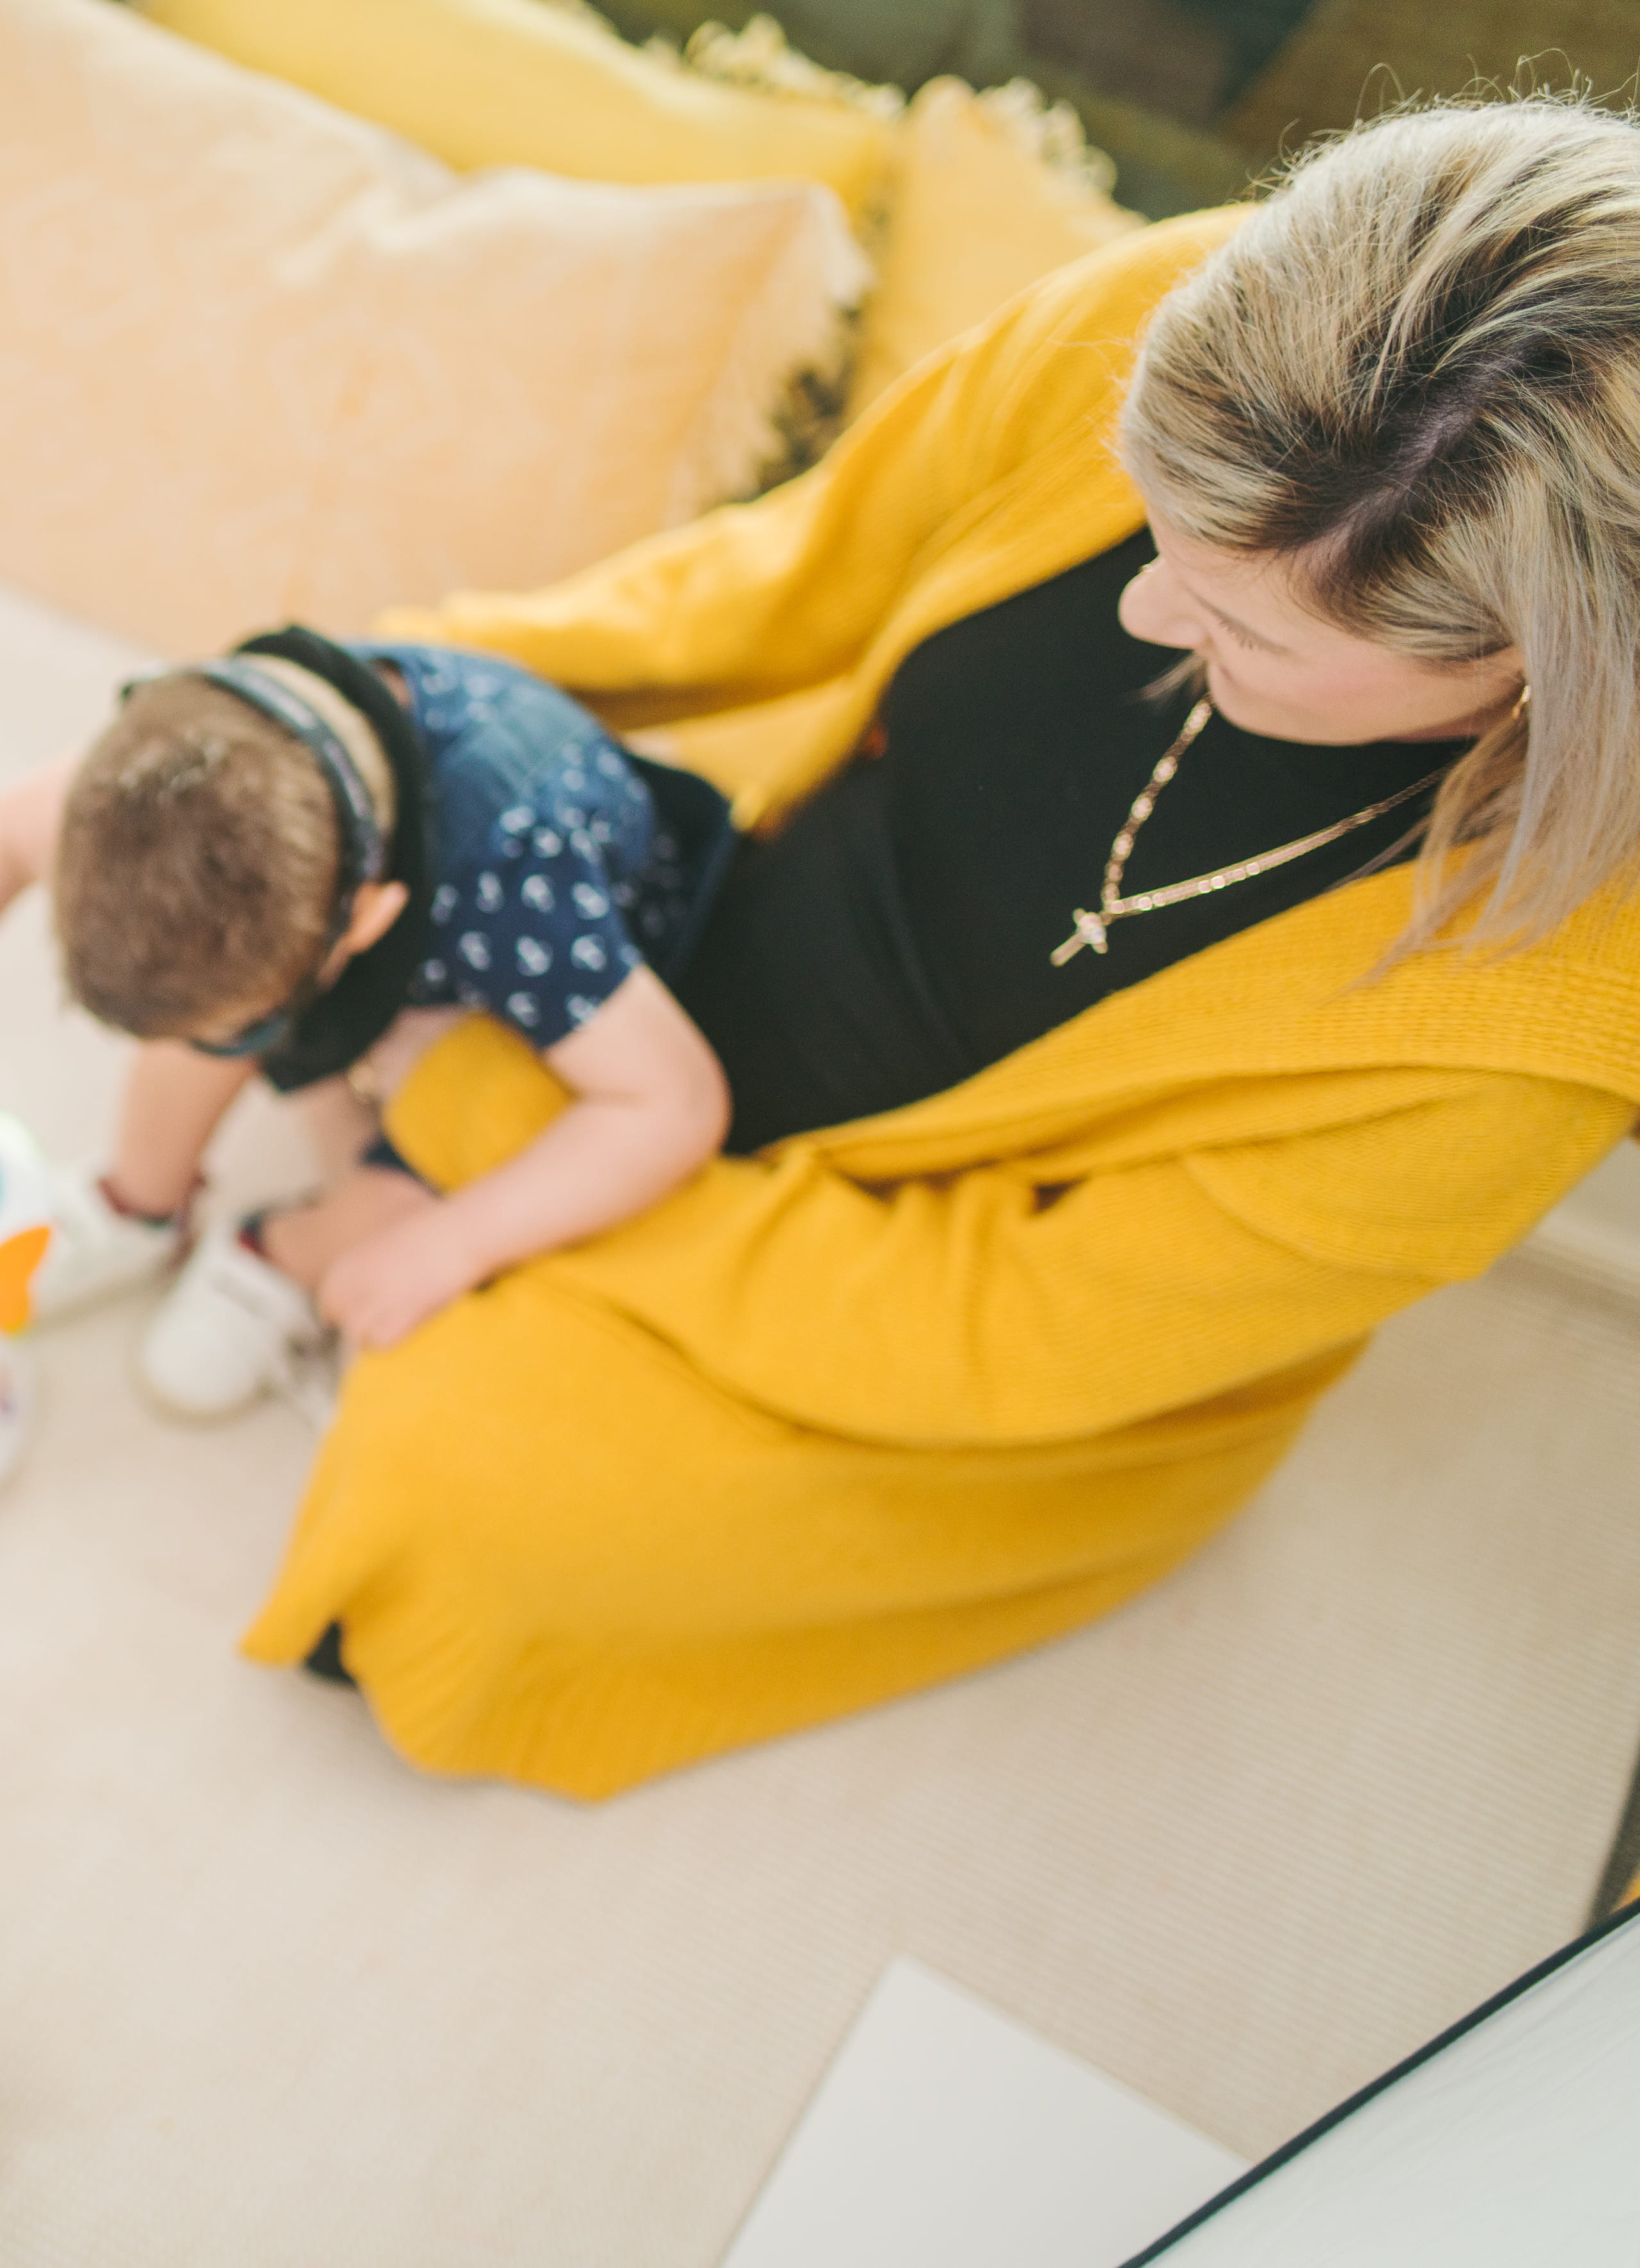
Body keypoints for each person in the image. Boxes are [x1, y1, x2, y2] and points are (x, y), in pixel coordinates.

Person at [230, 99, 1640, 1795]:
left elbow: (994, 1329)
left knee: (460, 1510)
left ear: (1549, 673)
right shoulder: (1199, 318)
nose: (1139, 608)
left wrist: (492, 1139)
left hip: (925, 1290)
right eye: (1147, 521)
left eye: (1239, 625)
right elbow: (789, 573)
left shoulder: (1543, 1029)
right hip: (726, 911)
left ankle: (420, 1204)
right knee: (292, 899)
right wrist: (375, 700)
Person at [0, 626, 739, 1418]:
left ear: (365, 925)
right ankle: (141, 1203)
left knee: (438, 1187)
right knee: (202, 1000)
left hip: (537, 993)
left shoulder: (512, 871)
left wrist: (451, 1246)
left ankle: (283, 1250)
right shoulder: (177, 758)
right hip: (376, 909)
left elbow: (675, 1104)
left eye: (241, 1032)